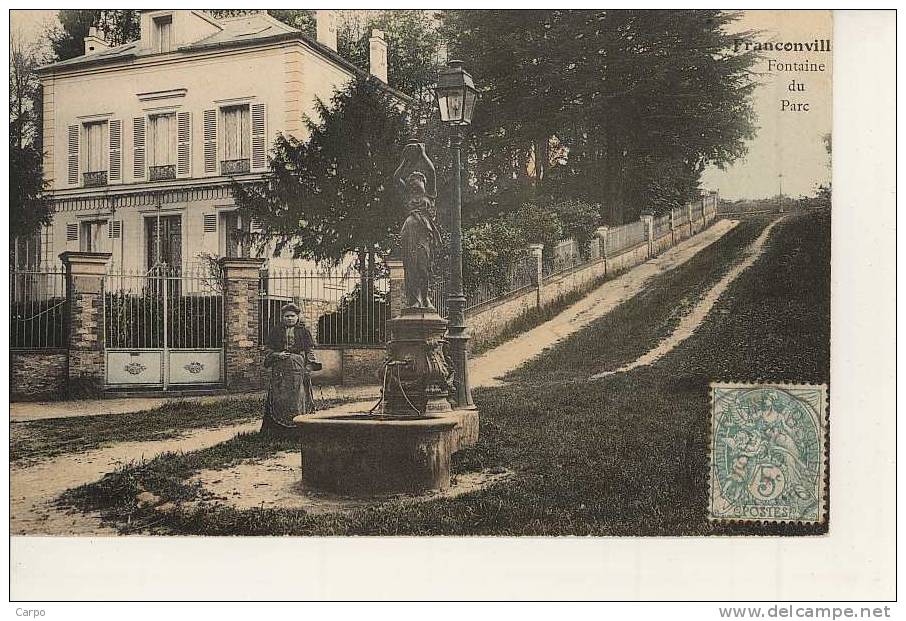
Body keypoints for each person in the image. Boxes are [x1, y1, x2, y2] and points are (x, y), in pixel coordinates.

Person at [261, 303, 321, 436]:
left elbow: (309, 350)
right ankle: (278, 430)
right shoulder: (276, 331)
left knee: (298, 396)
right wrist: (277, 354)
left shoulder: (304, 331)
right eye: (287, 316)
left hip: (298, 369)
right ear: (282, 317)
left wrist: (309, 366)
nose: (290, 319)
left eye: (292, 316)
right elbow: (267, 349)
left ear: (298, 317)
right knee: (280, 396)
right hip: (280, 370)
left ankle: (298, 428)